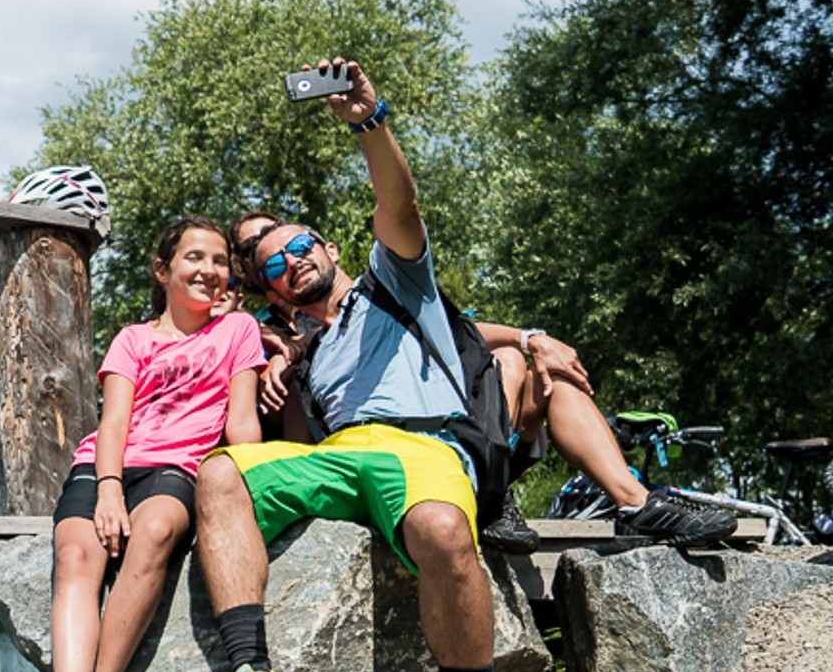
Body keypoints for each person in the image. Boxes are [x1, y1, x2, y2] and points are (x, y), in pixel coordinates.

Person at [195, 58, 552, 672]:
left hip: (422, 449)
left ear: (328, 249)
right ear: (273, 291)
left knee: (444, 531)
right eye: (275, 265)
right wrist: (275, 369)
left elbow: (399, 201)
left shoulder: (395, 285)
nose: (294, 261)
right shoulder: (296, 354)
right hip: (336, 457)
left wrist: (368, 121)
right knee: (222, 472)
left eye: (302, 247)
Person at [225, 212, 738, 550]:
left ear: (328, 247)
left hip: (458, 429)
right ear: (263, 286)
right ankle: (491, 496)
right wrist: (282, 357)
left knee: (534, 367)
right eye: (262, 256)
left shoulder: (383, 289)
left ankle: (635, 502)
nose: (286, 257)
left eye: (293, 242)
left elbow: (456, 331)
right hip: (378, 455)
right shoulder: (267, 340)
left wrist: (531, 336)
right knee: (513, 364)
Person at [43, 216, 265, 672]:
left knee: (157, 530)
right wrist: (109, 490)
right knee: (77, 553)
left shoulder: (238, 332)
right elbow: (113, 421)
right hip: (108, 464)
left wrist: (254, 486)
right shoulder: (133, 340)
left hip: (177, 467)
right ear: (163, 271)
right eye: (195, 258)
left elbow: (242, 420)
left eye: (219, 261)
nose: (209, 271)